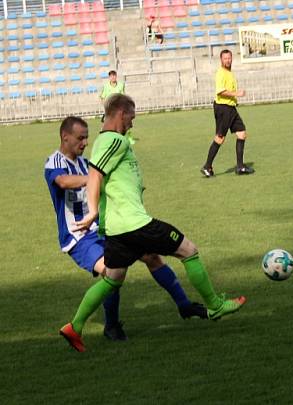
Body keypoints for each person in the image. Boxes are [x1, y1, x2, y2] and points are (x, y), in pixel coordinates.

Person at [59, 95, 247, 352]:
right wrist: (92, 212)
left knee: (112, 278)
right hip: (134, 224)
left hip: (117, 228)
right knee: (188, 250)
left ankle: (75, 326)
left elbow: (107, 179)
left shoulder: (110, 141)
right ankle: (214, 305)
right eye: (132, 118)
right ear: (121, 114)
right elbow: (94, 176)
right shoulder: (113, 140)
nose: (132, 124)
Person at [46, 117, 208, 341]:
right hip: (79, 237)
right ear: (65, 137)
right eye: (80, 138)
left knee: (152, 256)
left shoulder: (87, 162)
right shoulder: (54, 162)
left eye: (86, 138)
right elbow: (63, 182)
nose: (84, 143)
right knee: (111, 272)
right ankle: (111, 326)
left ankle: (184, 305)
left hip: (104, 228)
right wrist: (93, 179)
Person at [201, 49, 254, 177]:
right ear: (221, 60)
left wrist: (235, 99)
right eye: (225, 58)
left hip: (231, 108)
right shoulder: (221, 73)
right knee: (220, 138)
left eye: (229, 58)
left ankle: (240, 167)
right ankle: (207, 166)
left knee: (242, 133)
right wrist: (237, 94)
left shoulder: (230, 73)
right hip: (223, 108)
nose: (228, 60)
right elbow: (220, 91)